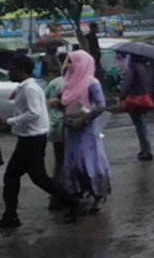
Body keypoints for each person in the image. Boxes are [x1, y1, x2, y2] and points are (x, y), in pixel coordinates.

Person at [0, 54, 81, 228]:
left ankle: (73, 201)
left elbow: (34, 113)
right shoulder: (27, 87)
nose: (10, 72)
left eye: (12, 69)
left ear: (21, 70)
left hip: (32, 139)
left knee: (37, 178)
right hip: (28, 138)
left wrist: (9, 121)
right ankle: (10, 215)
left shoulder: (30, 89)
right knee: (15, 177)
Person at [61, 50, 112, 217]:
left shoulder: (91, 82)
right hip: (71, 128)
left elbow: (100, 105)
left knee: (89, 161)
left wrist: (83, 120)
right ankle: (80, 194)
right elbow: (65, 102)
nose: (68, 65)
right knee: (74, 163)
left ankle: (99, 195)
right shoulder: (68, 82)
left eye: (72, 61)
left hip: (86, 129)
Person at [121, 54, 154, 161]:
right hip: (146, 98)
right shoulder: (149, 67)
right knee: (142, 122)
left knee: (140, 124)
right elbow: (153, 84)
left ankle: (146, 149)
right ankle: (145, 148)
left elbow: (127, 83)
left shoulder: (133, 67)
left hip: (135, 99)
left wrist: (122, 96)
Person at [44, 54, 67, 183]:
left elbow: (44, 97)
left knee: (59, 159)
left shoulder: (54, 82)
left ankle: (57, 184)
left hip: (54, 126)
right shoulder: (73, 83)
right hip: (67, 126)